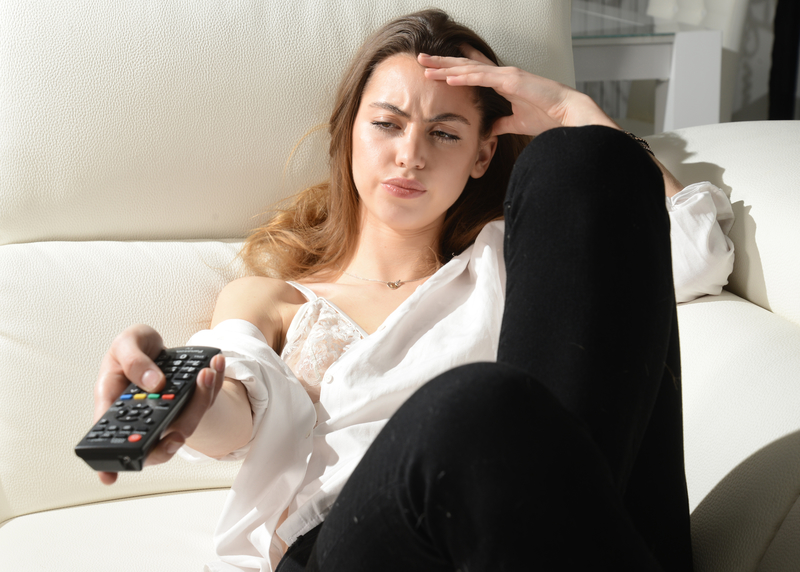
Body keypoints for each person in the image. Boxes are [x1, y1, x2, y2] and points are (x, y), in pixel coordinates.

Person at [93, 9, 734, 572]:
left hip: (526, 528)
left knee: (580, 161)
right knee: (475, 406)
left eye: (446, 133)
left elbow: (696, 256)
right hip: (354, 542)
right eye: (387, 124)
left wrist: (574, 117)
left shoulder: (512, 260)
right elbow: (236, 401)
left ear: (483, 155)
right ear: (350, 132)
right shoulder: (275, 297)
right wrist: (184, 406)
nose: (411, 154)